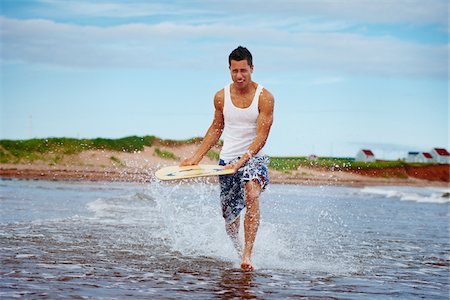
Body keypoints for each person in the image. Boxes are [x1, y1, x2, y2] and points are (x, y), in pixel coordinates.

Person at [180, 46, 274, 271]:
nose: (239, 76)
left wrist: (241, 162)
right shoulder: (221, 96)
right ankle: (237, 248)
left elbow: (262, 137)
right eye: (235, 71)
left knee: (252, 193)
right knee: (230, 217)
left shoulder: (265, 97)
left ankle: (247, 255)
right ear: (229, 70)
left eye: (244, 70)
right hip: (226, 161)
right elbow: (216, 128)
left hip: (254, 158)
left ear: (252, 68)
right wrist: (196, 157)